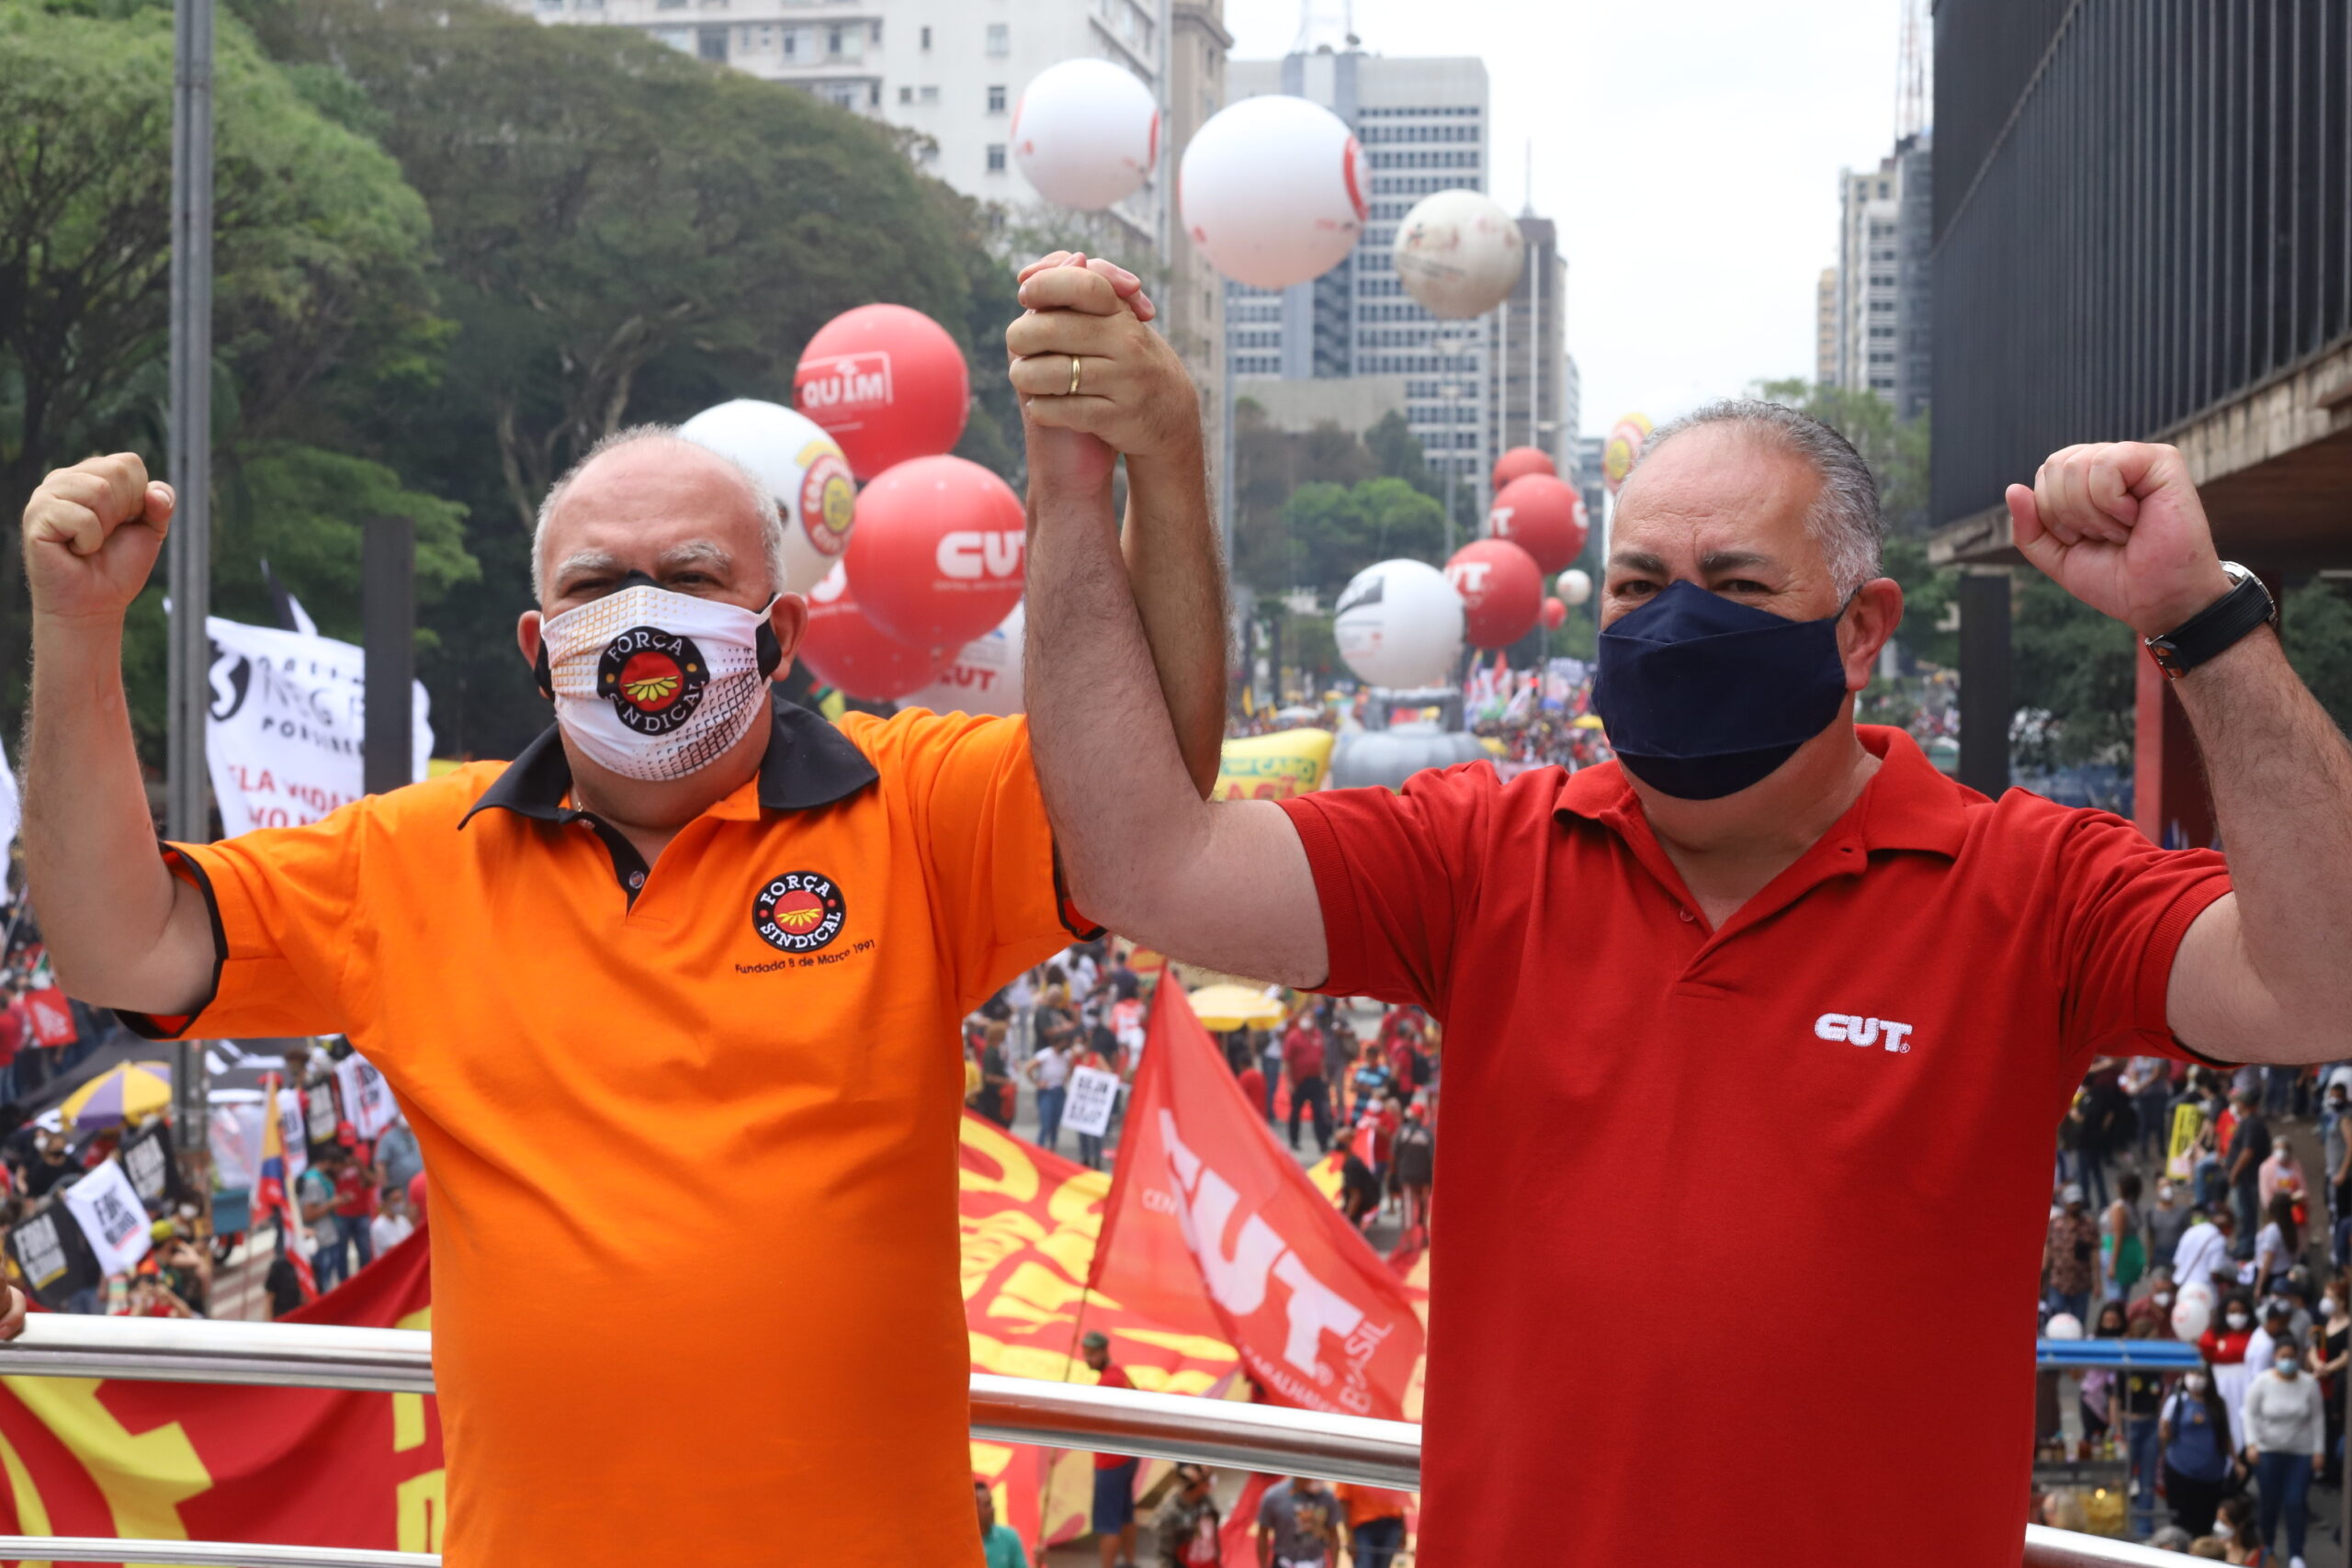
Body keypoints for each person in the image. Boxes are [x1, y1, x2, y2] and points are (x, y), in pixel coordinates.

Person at [16, 251, 1223, 1566]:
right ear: (539, 648)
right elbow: (120, 941)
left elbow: (1151, 780)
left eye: (693, 575)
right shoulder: (416, 856)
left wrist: (1139, 463)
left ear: (781, 632)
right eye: (596, 585)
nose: (644, 610)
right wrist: (77, 630)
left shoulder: (915, 807)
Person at [1024, 394, 2352, 1563]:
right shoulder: (1484, 855)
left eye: (1732, 581)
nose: (1673, 624)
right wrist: (1080, 488)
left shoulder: (2029, 886)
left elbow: (2323, 980)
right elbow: (1146, 864)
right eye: (1637, 581)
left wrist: (2202, 619)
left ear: (1860, 629)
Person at [2244, 1345, 2324, 1568]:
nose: (2287, 1361)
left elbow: (2317, 1418)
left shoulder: (2309, 1383)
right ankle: (2266, 1548)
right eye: (2283, 1357)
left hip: (2301, 1452)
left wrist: (2319, 1450)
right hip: (2268, 1451)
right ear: (2275, 1357)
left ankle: (2296, 1554)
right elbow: (2249, 1414)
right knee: (2269, 1503)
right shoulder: (2261, 1382)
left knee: (2295, 1502)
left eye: (2291, 1357)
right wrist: (2252, 1444)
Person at [1080, 1331, 1139, 1568]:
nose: (1088, 1360)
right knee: (1125, 1513)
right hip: (1126, 1455)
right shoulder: (1120, 1374)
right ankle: (1131, 1561)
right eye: (1086, 1355)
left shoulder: (1107, 1381)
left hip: (1110, 1460)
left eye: (1091, 1355)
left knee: (1108, 1523)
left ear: (1104, 1351)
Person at [2162, 1363, 2240, 1538]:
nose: (2196, 1378)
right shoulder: (2177, 1401)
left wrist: (2236, 1462)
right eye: (2191, 1372)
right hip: (2181, 1472)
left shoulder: (2218, 1404)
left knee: (2204, 1525)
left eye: (2200, 1374)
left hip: (2211, 1475)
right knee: (2181, 1525)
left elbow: (2226, 1435)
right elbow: (2165, 1432)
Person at [2119, 1315, 2168, 1539]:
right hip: (2131, 1423)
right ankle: (2116, 1521)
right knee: (2123, 1476)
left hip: (2150, 1423)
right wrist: (2117, 1429)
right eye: (2152, 1338)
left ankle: (2143, 1527)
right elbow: (2115, 1399)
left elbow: (2160, 1396)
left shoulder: (2156, 1364)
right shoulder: (2126, 1363)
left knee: (2147, 1478)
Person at [2206, 1295, 2260, 1450]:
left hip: (2247, 1385)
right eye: (2232, 1312)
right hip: (2220, 1385)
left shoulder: (2255, 1335)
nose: (2237, 1316)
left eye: (2241, 1312)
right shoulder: (2213, 1335)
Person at [1254, 1475, 1340, 1568]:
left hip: (1316, 1562)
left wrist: (1334, 1565)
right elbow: (1262, 1535)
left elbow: (1333, 1535)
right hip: (1284, 1562)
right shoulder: (1274, 1497)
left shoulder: (1327, 1498)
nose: (1317, 1479)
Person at [2229, 1092, 2275, 1259]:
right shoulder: (2249, 1123)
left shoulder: (2251, 1124)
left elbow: (2247, 1152)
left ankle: (2246, 1248)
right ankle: (2245, 1245)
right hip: (2247, 1178)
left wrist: (2234, 1172)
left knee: (2247, 1214)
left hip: (2249, 1178)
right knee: (2245, 1213)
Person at [1281, 1004, 1332, 1155]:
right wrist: (1289, 1082)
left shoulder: (1317, 1035)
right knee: (1295, 1111)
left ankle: (1322, 1143)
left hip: (1315, 1080)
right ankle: (1294, 1140)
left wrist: (1324, 1075)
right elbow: (1287, 1061)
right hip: (1299, 1081)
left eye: (1310, 1018)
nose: (1308, 1021)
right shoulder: (1293, 1037)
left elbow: (1321, 1056)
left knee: (1319, 1112)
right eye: (1306, 1018)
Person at [2047, 1184, 2099, 1325]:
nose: (2075, 1206)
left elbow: (2095, 1253)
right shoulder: (2055, 1223)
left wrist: (2097, 1282)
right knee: (2055, 1319)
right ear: (2065, 1203)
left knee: (2078, 1321)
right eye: (2072, 1203)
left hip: (2081, 1282)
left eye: (2077, 1203)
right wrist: (2042, 1275)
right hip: (2058, 1281)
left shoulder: (2089, 1226)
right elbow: (2048, 1248)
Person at [1158, 1465, 1222, 1568]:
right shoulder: (1171, 1511)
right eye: (1207, 1479)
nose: (1211, 1482)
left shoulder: (1206, 1503)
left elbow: (1213, 1538)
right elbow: (1165, 1551)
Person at [1335, 1484, 1408, 1568]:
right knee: (1365, 1565)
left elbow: (1399, 1498)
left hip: (1391, 1524)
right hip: (1362, 1527)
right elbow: (1343, 1501)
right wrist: (1349, 1535)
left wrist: (1403, 1530)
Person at [2105, 1170, 2148, 1303]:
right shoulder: (2133, 1206)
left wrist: (2112, 1264)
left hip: (2118, 1251)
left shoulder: (2119, 1208)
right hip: (2132, 1249)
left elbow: (2118, 1235)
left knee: (2116, 1293)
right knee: (2124, 1293)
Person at [1028, 1030, 1072, 1154]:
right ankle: (1039, 1149)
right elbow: (1029, 1068)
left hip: (1059, 1090)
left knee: (1055, 1124)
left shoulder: (1067, 1055)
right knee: (1046, 1123)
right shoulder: (1045, 1055)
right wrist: (1037, 1082)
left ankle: (1052, 1147)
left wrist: (1067, 1076)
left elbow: (1072, 1065)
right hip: (1046, 1092)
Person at [2178, 1208, 2239, 1294]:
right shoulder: (2218, 1239)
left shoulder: (2190, 1232)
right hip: (2203, 1290)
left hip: (2184, 1288)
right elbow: (2214, 1272)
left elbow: (2177, 1263)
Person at [2254, 1193, 2303, 1299]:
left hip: (2270, 1277)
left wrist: (2259, 1286)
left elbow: (2268, 1260)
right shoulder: (2290, 1227)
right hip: (2283, 1272)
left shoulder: (2273, 1230)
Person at [975, 1479, 1028, 1568]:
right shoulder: (964, 1543)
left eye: (991, 1503)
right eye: (987, 1504)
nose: (993, 1508)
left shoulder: (1010, 1537)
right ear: (974, 1510)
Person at [2150, 1179, 2198, 1275]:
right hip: (2159, 1254)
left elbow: (2189, 1235)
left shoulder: (2183, 1212)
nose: (2167, 1190)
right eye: (2163, 1187)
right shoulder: (2152, 1212)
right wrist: (2149, 1259)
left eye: (2169, 1186)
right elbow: (2151, 1237)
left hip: (2176, 1254)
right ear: (2157, 1189)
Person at [370, 1183, 416, 1256]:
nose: (399, 1203)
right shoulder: (378, 1226)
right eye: (395, 1200)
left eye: (401, 1199)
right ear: (385, 1203)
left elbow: (413, 1241)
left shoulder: (403, 1221)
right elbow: (394, 1250)